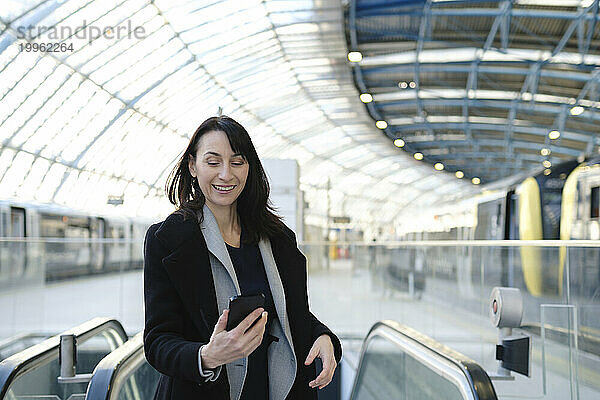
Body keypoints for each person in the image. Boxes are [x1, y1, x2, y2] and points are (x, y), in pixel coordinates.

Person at [143, 116, 342, 400]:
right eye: (213, 162)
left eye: (237, 162)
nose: (226, 174)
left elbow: (291, 312)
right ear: (192, 166)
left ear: (250, 167)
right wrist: (207, 356)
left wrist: (321, 335)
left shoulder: (278, 239)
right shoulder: (168, 240)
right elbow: (157, 341)